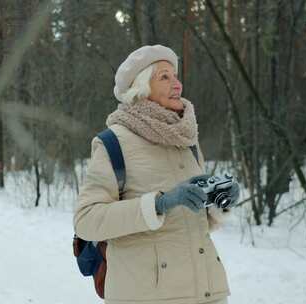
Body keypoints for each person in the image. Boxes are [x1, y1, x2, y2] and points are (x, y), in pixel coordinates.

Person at [73, 45, 240, 304]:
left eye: (176, 76)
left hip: (207, 292)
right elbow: (87, 220)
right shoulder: (113, 142)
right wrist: (159, 203)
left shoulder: (186, 140)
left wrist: (218, 201)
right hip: (147, 296)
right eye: (165, 77)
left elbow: (190, 224)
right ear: (141, 88)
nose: (177, 85)